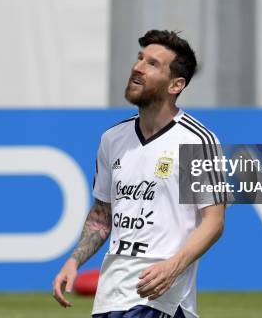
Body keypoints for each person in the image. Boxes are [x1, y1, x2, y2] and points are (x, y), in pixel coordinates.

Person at [53, 30, 226, 318]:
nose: (137, 67)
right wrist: (74, 261)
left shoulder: (196, 141)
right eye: (139, 58)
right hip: (112, 294)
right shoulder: (113, 139)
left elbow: (214, 221)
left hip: (160, 295)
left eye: (152, 64)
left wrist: (173, 266)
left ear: (176, 84)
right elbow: (102, 214)